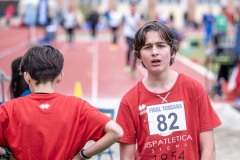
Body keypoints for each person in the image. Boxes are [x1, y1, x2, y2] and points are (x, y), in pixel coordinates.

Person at [116, 20, 222, 159]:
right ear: (138, 55)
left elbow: (208, 148)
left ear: (172, 51)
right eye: (147, 47)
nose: (155, 52)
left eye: (161, 46)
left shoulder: (194, 89)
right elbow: (126, 157)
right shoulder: (129, 101)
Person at [0, 45, 123, 159]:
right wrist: (83, 155)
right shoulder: (78, 107)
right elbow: (116, 132)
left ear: (27, 77)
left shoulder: (8, 109)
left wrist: (6, 154)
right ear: (60, 76)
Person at [122, 1, 144, 79]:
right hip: (128, 35)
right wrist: (119, 32)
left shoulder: (139, 15)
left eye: (134, 7)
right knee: (129, 48)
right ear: (130, 7)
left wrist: (139, 23)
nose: (133, 9)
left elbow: (142, 24)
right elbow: (122, 23)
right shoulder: (126, 15)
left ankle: (133, 69)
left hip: (136, 35)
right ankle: (127, 64)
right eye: (131, 7)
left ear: (136, 8)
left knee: (135, 52)